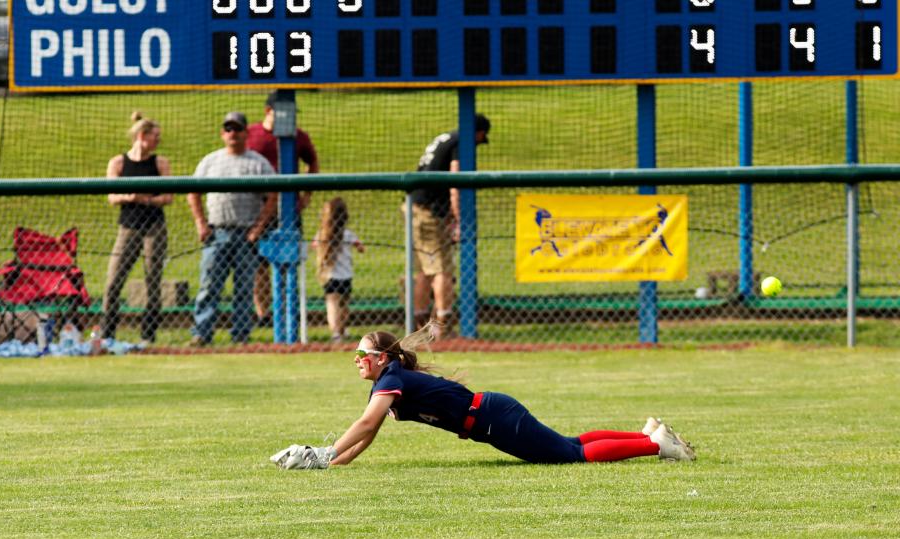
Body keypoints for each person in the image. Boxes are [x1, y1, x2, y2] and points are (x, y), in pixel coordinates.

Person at [271, 327, 696, 470]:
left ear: (382, 358)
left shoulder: (390, 379)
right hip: (492, 415)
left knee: (570, 455)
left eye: (363, 354)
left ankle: (655, 445)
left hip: (493, 418)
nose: (357, 360)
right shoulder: (388, 381)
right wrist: (335, 464)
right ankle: (647, 434)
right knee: (569, 443)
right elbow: (370, 434)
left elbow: (364, 425)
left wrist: (326, 453)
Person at [187, 111, 278, 347]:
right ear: (222, 133)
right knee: (209, 285)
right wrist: (200, 222)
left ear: (246, 133)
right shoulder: (210, 161)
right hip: (217, 232)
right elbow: (192, 192)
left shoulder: (258, 163)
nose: (233, 133)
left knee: (244, 288)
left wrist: (258, 228)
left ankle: (240, 335)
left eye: (237, 129)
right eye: (228, 129)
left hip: (246, 233)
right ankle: (202, 333)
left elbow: (272, 196)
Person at [406, 113, 490, 339]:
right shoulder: (460, 143)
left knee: (424, 270)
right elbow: (455, 182)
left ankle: (419, 326)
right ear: (478, 133)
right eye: (481, 138)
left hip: (415, 207)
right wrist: (459, 219)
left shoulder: (446, 137)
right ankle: (441, 327)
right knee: (442, 270)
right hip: (427, 212)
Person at [247, 90, 320, 328]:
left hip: (289, 207)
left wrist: (307, 195)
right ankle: (264, 313)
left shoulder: (299, 136)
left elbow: (313, 161)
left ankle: (290, 311)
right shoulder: (252, 134)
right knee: (258, 263)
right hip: (258, 208)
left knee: (290, 259)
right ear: (269, 111)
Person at [101, 111, 173, 343]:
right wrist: (132, 196)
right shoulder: (118, 163)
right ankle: (108, 332)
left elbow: (168, 196)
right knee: (113, 280)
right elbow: (112, 196)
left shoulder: (160, 163)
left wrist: (148, 200)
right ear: (142, 136)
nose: (158, 141)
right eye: (155, 136)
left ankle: (148, 335)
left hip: (154, 226)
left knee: (153, 279)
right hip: (128, 226)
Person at [311, 197, 365, 343]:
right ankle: (342, 328)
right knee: (344, 304)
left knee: (332, 303)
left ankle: (336, 332)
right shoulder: (348, 234)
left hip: (330, 276)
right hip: (346, 275)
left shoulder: (322, 234)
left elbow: (313, 245)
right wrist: (358, 247)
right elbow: (361, 247)